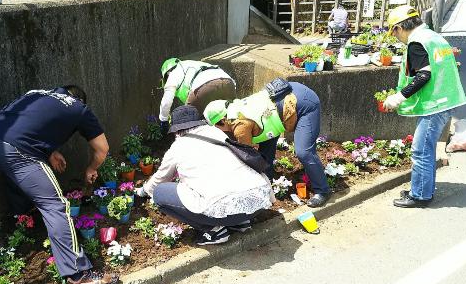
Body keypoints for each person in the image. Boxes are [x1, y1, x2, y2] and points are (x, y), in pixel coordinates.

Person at [0, 86, 119, 284]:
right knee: (56, 205)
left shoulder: (36, 93)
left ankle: (23, 220)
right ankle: (78, 273)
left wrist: (49, 151)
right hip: (16, 147)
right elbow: (102, 148)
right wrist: (91, 168)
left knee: (17, 172)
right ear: (80, 100)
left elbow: (31, 122)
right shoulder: (79, 108)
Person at [136, 105, 274, 245]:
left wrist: (142, 191)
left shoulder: (178, 147)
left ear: (176, 130)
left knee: (160, 194)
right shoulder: (215, 132)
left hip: (227, 209)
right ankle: (240, 223)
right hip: (257, 202)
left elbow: (160, 179)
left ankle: (214, 231)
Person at [382, 5, 466, 208]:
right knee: (425, 149)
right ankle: (421, 188)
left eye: (393, 32)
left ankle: (420, 195)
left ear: (399, 28)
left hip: (435, 104)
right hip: (447, 99)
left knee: (421, 151)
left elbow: (423, 75)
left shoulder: (416, 42)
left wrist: (399, 97)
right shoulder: (433, 37)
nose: (395, 37)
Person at [203, 79, 330, 208]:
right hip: (290, 90)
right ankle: (267, 178)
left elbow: (248, 158)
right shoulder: (235, 109)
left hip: (303, 103)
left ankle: (323, 191)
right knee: (266, 144)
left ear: (221, 121)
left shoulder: (240, 126)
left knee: (304, 152)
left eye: (215, 127)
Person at [158, 58, 236, 133]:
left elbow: (166, 101)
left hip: (204, 86)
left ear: (167, 74)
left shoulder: (174, 72)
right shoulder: (192, 64)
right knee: (229, 121)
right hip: (228, 83)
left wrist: (163, 120)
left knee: (186, 126)